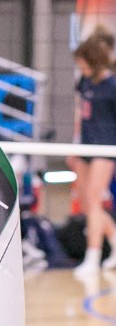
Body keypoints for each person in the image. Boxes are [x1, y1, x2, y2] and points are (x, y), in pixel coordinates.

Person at [72, 33, 116, 277]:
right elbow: (80, 114)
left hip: (105, 148)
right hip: (85, 146)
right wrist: (74, 146)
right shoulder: (84, 82)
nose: (81, 66)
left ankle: (93, 256)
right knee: (87, 202)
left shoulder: (112, 86)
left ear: (94, 61)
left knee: (94, 200)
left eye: (83, 62)